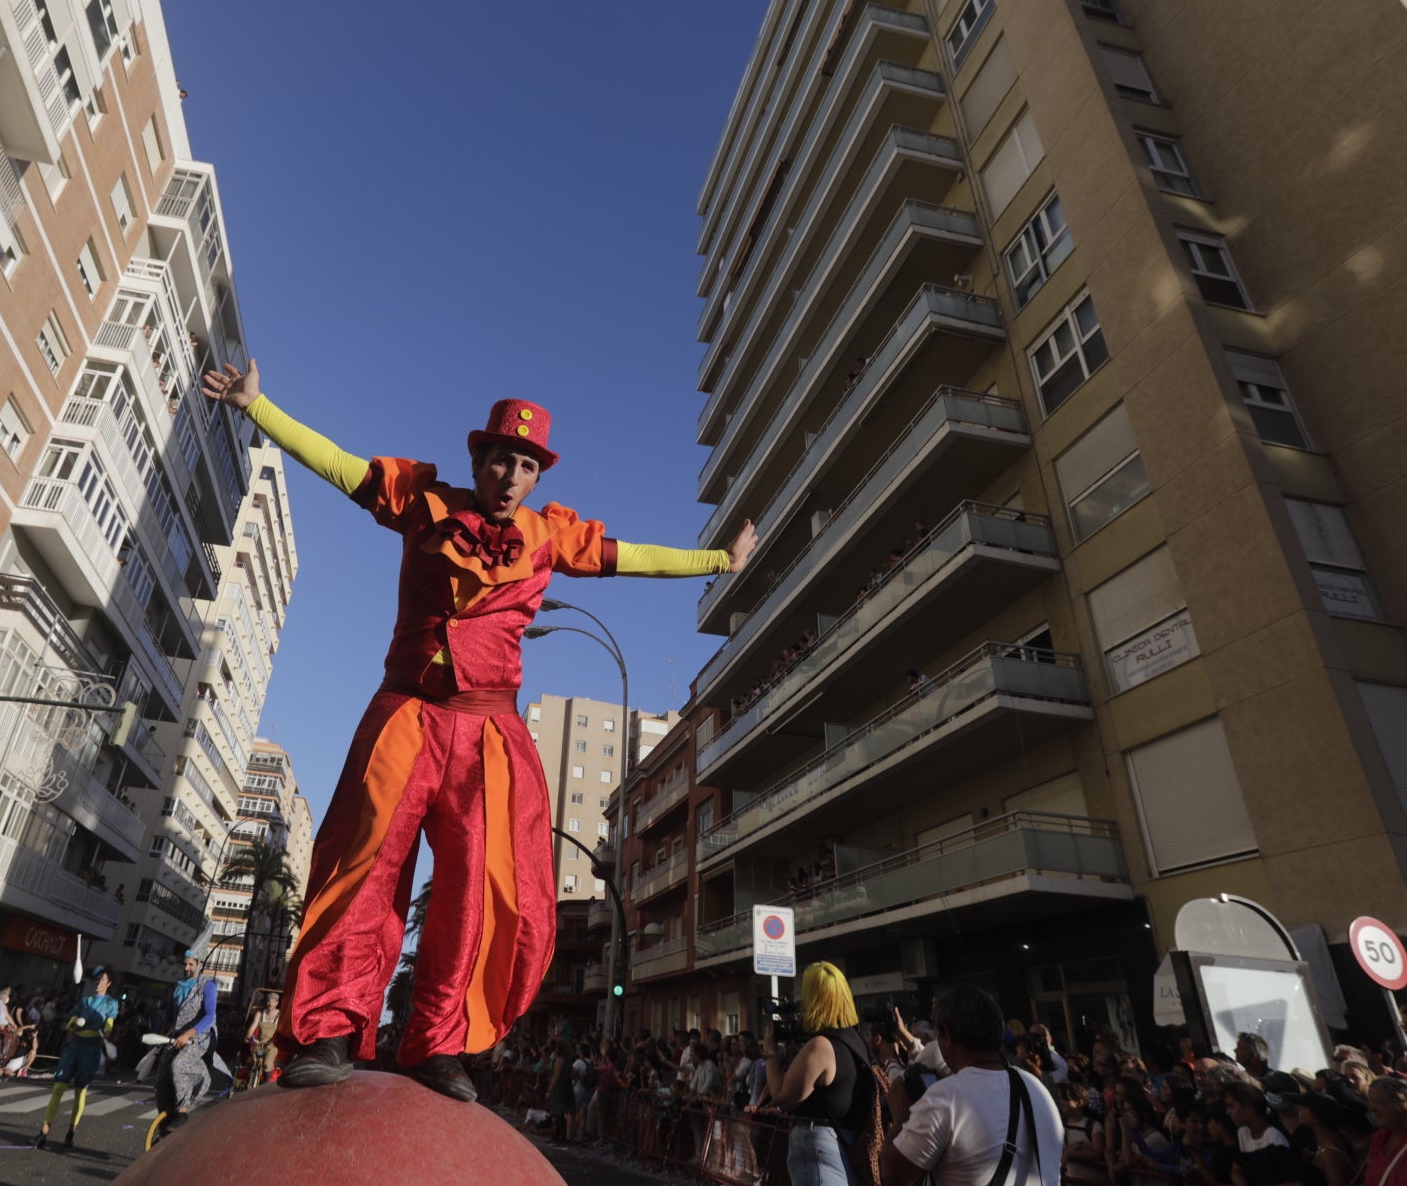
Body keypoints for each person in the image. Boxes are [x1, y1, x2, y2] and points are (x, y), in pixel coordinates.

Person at [200, 361, 753, 1100]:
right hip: (404, 715)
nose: (512, 473)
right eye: (501, 458)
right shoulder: (421, 500)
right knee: (362, 867)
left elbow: (636, 558)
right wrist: (256, 405)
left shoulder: (547, 538)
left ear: (536, 475)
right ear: (478, 460)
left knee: (482, 891)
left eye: (526, 464)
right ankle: (329, 1031)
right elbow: (337, 464)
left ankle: (440, 1044)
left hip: (487, 733)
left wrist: (720, 559)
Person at [882, 983, 1064, 1186]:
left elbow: (891, 1177)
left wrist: (900, 1116)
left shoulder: (944, 1098)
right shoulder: (1034, 1086)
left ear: (946, 1034)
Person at [760, 962, 878, 1186]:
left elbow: (782, 1096)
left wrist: (770, 1052)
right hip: (847, 1143)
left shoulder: (821, 1047)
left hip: (821, 1146)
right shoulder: (857, 1041)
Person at [36, 968, 118, 1150]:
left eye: (102, 980)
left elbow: (110, 1022)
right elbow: (71, 1019)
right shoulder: (85, 1001)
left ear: (109, 983)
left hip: (91, 1049)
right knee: (58, 1087)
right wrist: (73, 1023)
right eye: (96, 980)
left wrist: (107, 1031)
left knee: (80, 1091)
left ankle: (70, 1132)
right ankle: (43, 1132)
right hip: (75, 1046)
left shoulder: (111, 1003)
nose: (98, 983)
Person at [157, 951, 217, 1134]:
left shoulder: (207, 985)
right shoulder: (178, 986)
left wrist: (188, 1034)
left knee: (179, 1064)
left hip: (198, 1039)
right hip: (176, 1037)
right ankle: (166, 1118)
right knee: (162, 1077)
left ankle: (182, 1112)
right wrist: (163, 1032)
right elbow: (170, 1014)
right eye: (185, 964)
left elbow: (210, 1016)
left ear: (199, 964)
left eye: (190, 964)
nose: (186, 968)